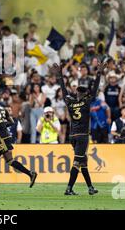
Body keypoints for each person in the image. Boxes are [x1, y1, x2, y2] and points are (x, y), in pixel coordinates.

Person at [51, 60, 107, 196]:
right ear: (85, 94)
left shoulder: (70, 102)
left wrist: (60, 77)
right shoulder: (86, 102)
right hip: (82, 136)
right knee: (77, 163)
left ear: (77, 94)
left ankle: (90, 188)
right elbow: (94, 91)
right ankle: (69, 188)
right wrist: (99, 73)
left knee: (83, 162)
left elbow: (64, 92)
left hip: (72, 136)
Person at [0, 91, 37, 192]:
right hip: (4, 137)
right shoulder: (3, 109)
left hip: (1, 138)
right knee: (3, 161)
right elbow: (11, 121)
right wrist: (2, 125)